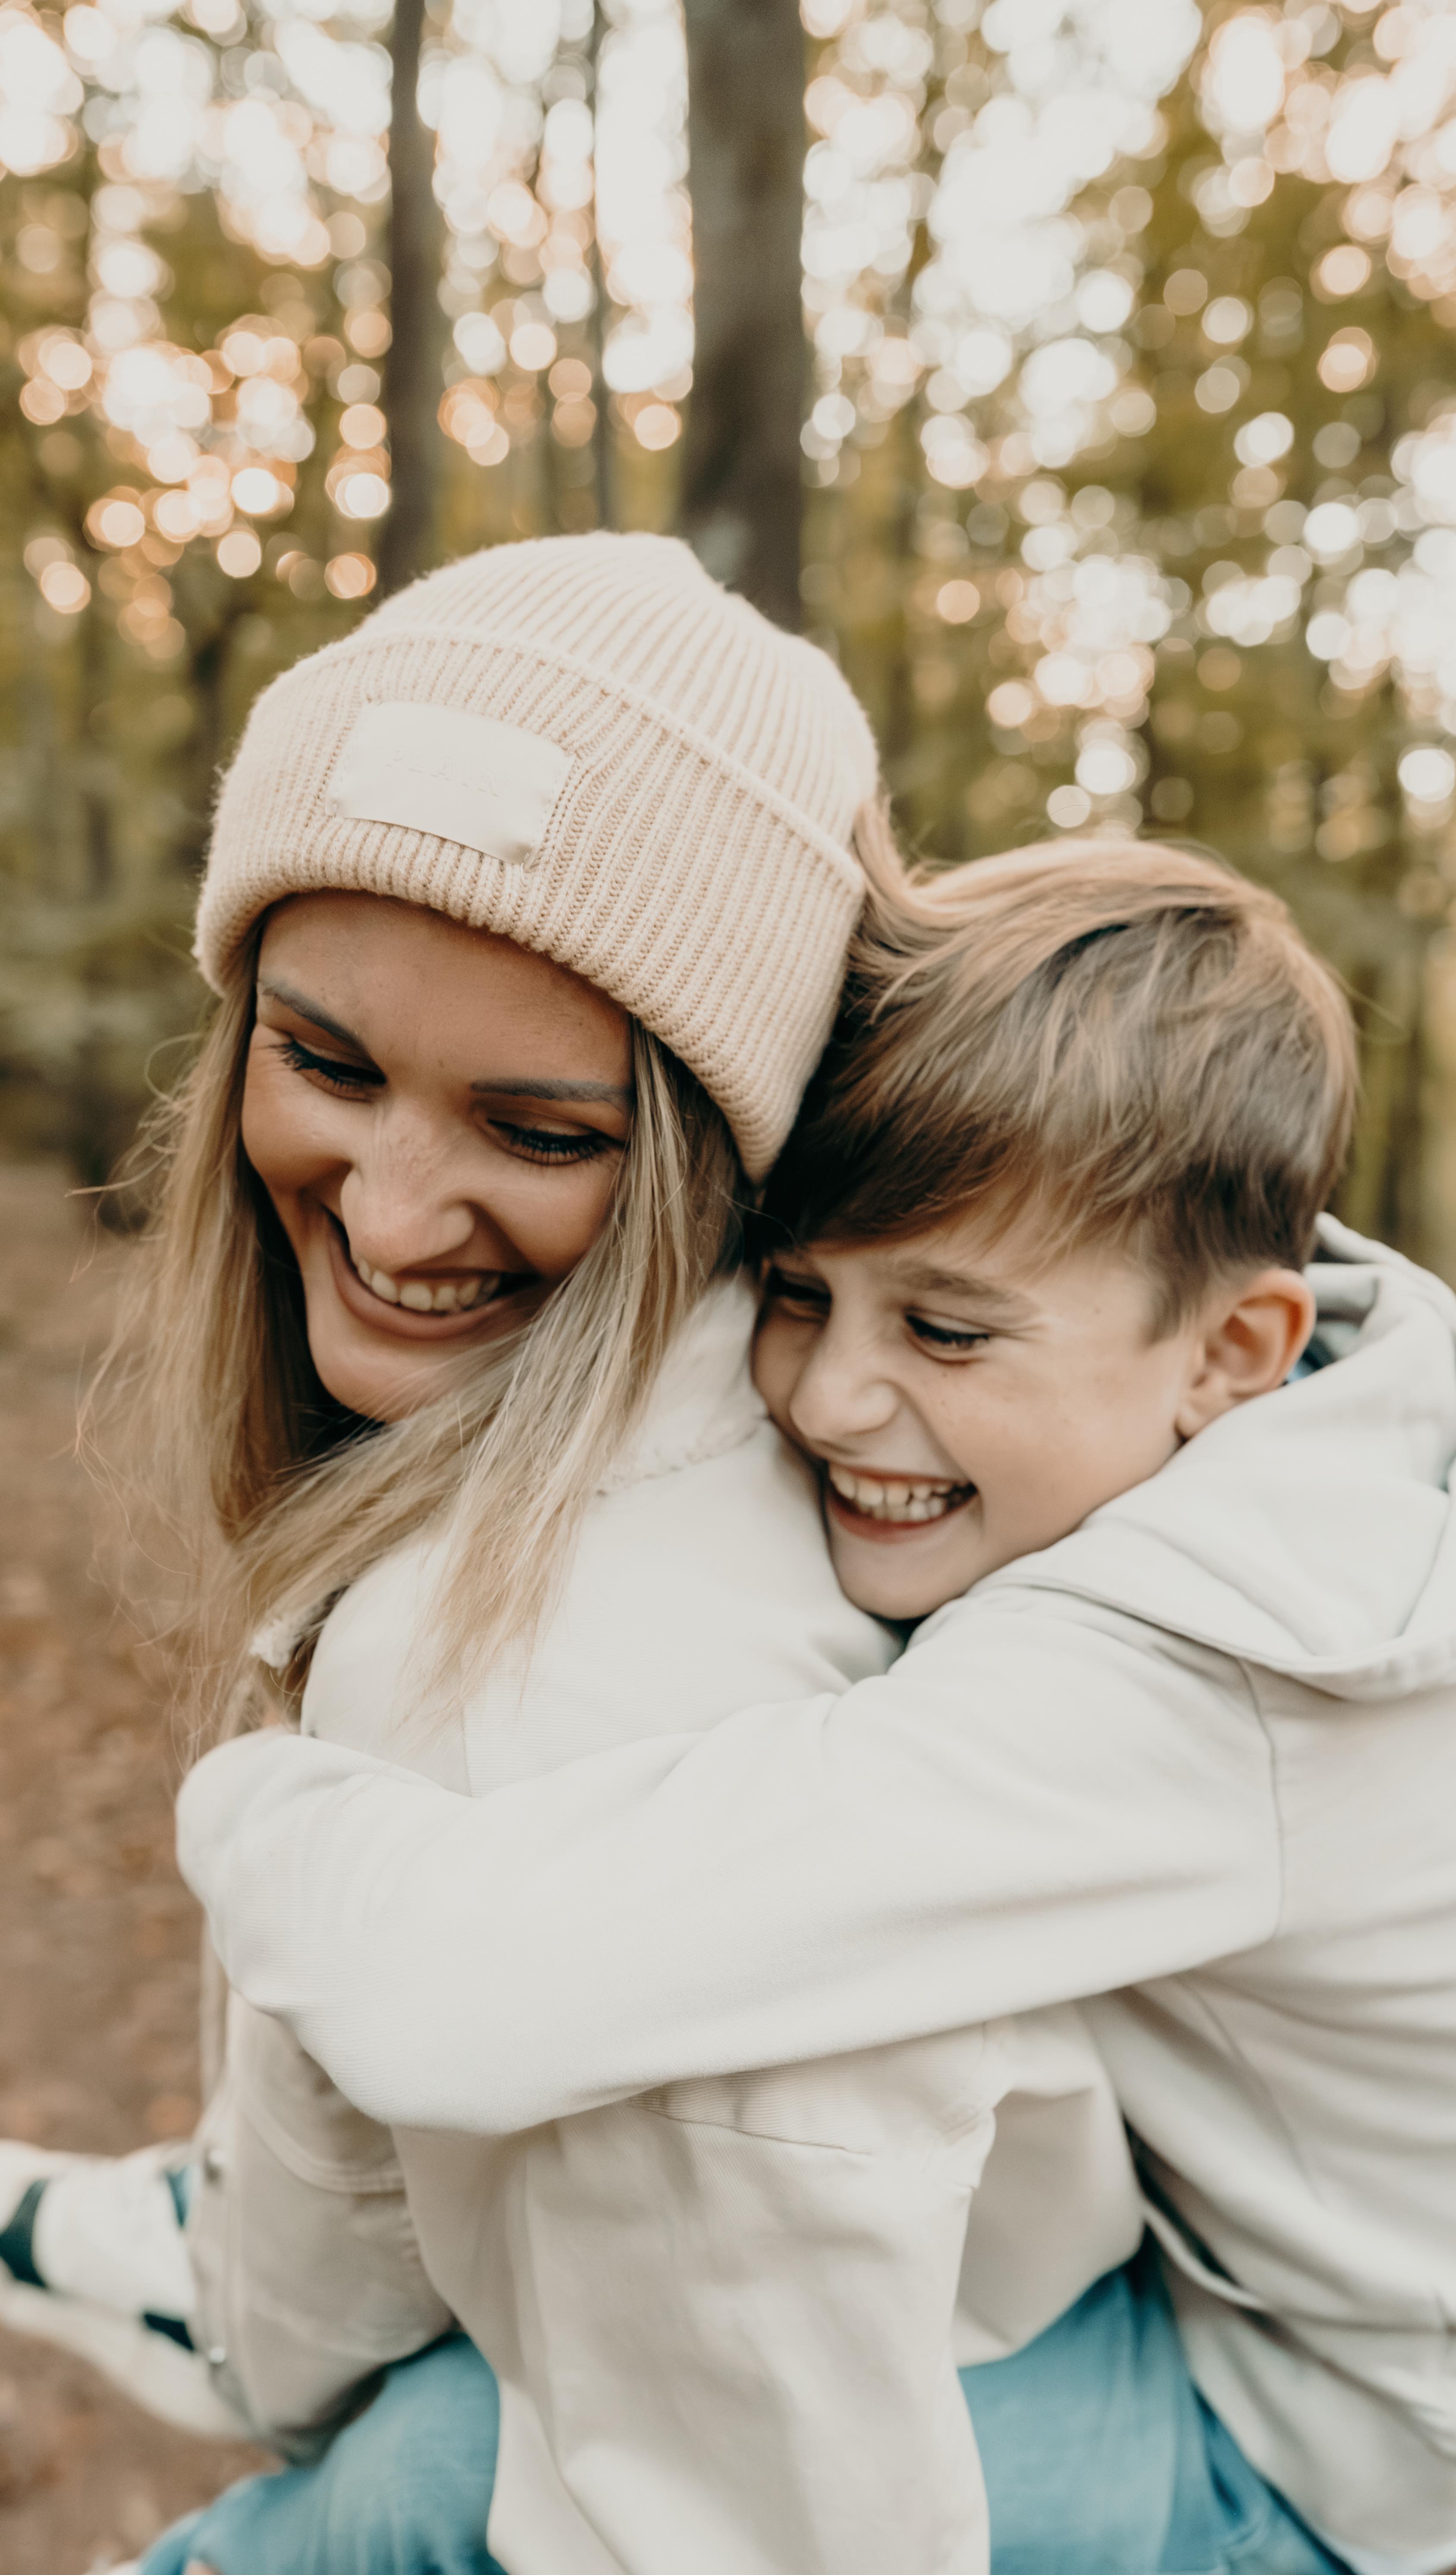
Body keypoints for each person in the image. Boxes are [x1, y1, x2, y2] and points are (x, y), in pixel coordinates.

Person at [1, 537, 1139, 2572]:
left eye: (542, 1132)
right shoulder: (782, 1421)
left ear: (724, 1145)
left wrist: (293, 2405)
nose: (397, 1205)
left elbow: (744, 2479)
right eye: (326, 1063)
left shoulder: (539, 1673)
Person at [178, 836, 1456, 2575]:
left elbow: (463, 1995)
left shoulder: (1215, 1668)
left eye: (944, 1331)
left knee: (440, 2479)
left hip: (1336, 2460)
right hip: (1264, 2298)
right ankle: (149, 2236)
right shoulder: (1332, 1400)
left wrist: (256, 1794)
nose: (832, 1395)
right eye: (796, 1297)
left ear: (1233, 1347)